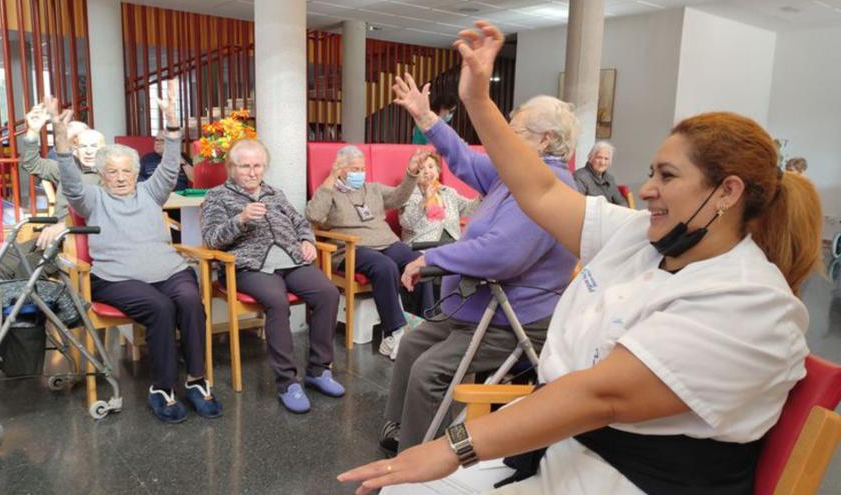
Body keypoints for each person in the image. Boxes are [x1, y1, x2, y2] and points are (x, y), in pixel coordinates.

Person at [339, 21, 822, 495]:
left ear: (726, 192)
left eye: (668, 176)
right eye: (653, 172)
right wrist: (476, 100)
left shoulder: (750, 302)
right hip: (561, 441)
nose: (648, 188)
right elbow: (540, 190)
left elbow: (599, 395)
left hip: (619, 474)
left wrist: (450, 449)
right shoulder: (640, 236)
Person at [378, 74, 579, 455]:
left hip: (513, 319)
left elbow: (502, 254)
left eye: (514, 130)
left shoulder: (551, 187)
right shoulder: (516, 174)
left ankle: (414, 459)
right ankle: (400, 427)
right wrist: (426, 119)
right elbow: (465, 160)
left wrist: (431, 257)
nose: (503, 136)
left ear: (545, 140)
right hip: (479, 309)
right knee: (411, 344)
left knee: (428, 371)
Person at [55, 79, 223, 424]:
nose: (120, 177)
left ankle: (196, 380)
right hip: (116, 278)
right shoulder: (92, 198)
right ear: (101, 175)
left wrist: (172, 124)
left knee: (191, 301)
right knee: (160, 308)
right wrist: (59, 139)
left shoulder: (150, 192)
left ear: (135, 172)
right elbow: (71, 182)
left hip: (168, 270)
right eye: (112, 172)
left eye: (126, 171)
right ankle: (162, 388)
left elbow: (171, 160)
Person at [200, 138, 344, 414]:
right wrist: (240, 219)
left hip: (291, 260)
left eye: (258, 166)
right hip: (249, 267)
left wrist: (306, 240)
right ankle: (288, 382)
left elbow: (300, 222)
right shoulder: (217, 197)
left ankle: (318, 369)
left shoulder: (274, 193)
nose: (253, 172)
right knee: (277, 302)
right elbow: (212, 240)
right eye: (245, 166)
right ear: (231, 167)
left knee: (327, 293)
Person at [305, 145, 432, 359]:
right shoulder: (329, 192)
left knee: (422, 262)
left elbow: (398, 197)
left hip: (387, 243)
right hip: (351, 249)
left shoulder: (372, 189)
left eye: (361, 168)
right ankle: (393, 333)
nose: (359, 173)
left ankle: (425, 328)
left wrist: (411, 174)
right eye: (354, 169)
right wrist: (330, 179)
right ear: (341, 169)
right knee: (385, 266)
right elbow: (314, 215)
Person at [20, 97, 105, 250]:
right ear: (75, 148)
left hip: (80, 239)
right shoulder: (65, 169)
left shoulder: (110, 175)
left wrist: (64, 226)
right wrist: (33, 131)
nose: (88, 151)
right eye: (82, 145)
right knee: (0, 260)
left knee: (20, 266)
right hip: (54, 234)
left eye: (93, 145)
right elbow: (30, 164)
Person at [399, 150, 479, 245]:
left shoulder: (448, 192)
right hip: (422, 246)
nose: (427, 172)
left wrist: (483, 195)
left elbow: (470, 208)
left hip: (453, 245)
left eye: (431, 167)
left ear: (437, 172)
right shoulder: (407, 192)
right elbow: (407, 223)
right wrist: (424, 200)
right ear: (415, 174)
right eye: (421, 169)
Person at [573, 141, 627, 206]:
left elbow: (621, 202)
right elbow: (579, 205)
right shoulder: (580, 176)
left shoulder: (610, 178)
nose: (602, 163)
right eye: (599, 158)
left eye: (606, 159)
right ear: (591, 158)